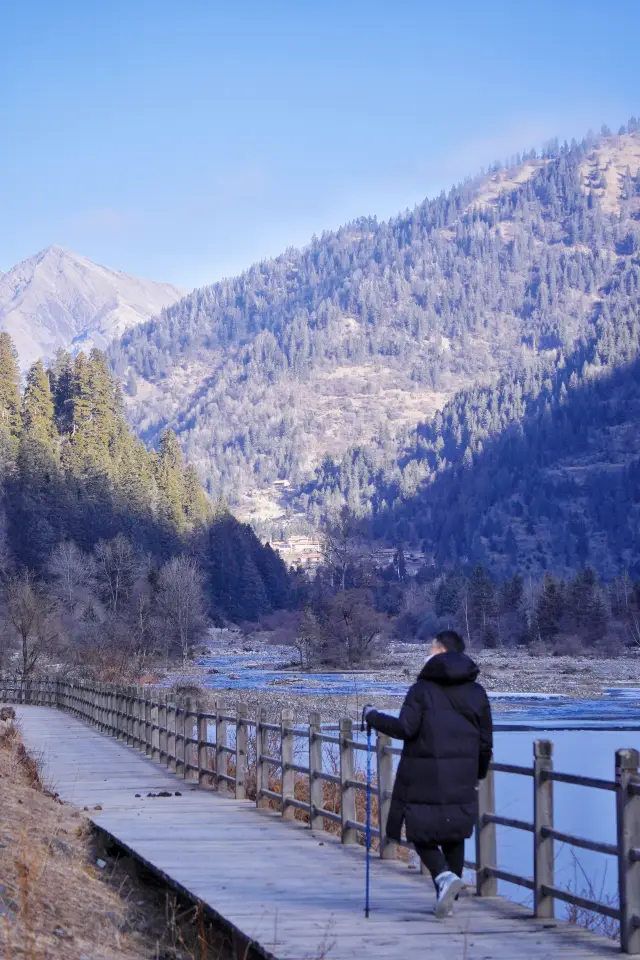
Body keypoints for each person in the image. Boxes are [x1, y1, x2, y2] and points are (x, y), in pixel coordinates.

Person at [362, 629, 492, 918]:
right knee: (455, 835)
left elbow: (405, 728)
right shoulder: (477, 693)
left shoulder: (421, 690)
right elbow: (485, 741)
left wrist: (372, 716)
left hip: (424, 774)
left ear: (442, 652)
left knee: (420, 833)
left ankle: (443, 878)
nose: (428, 653)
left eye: (431, 648)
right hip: (462, 776)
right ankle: (446, 898)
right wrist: (478, 772)